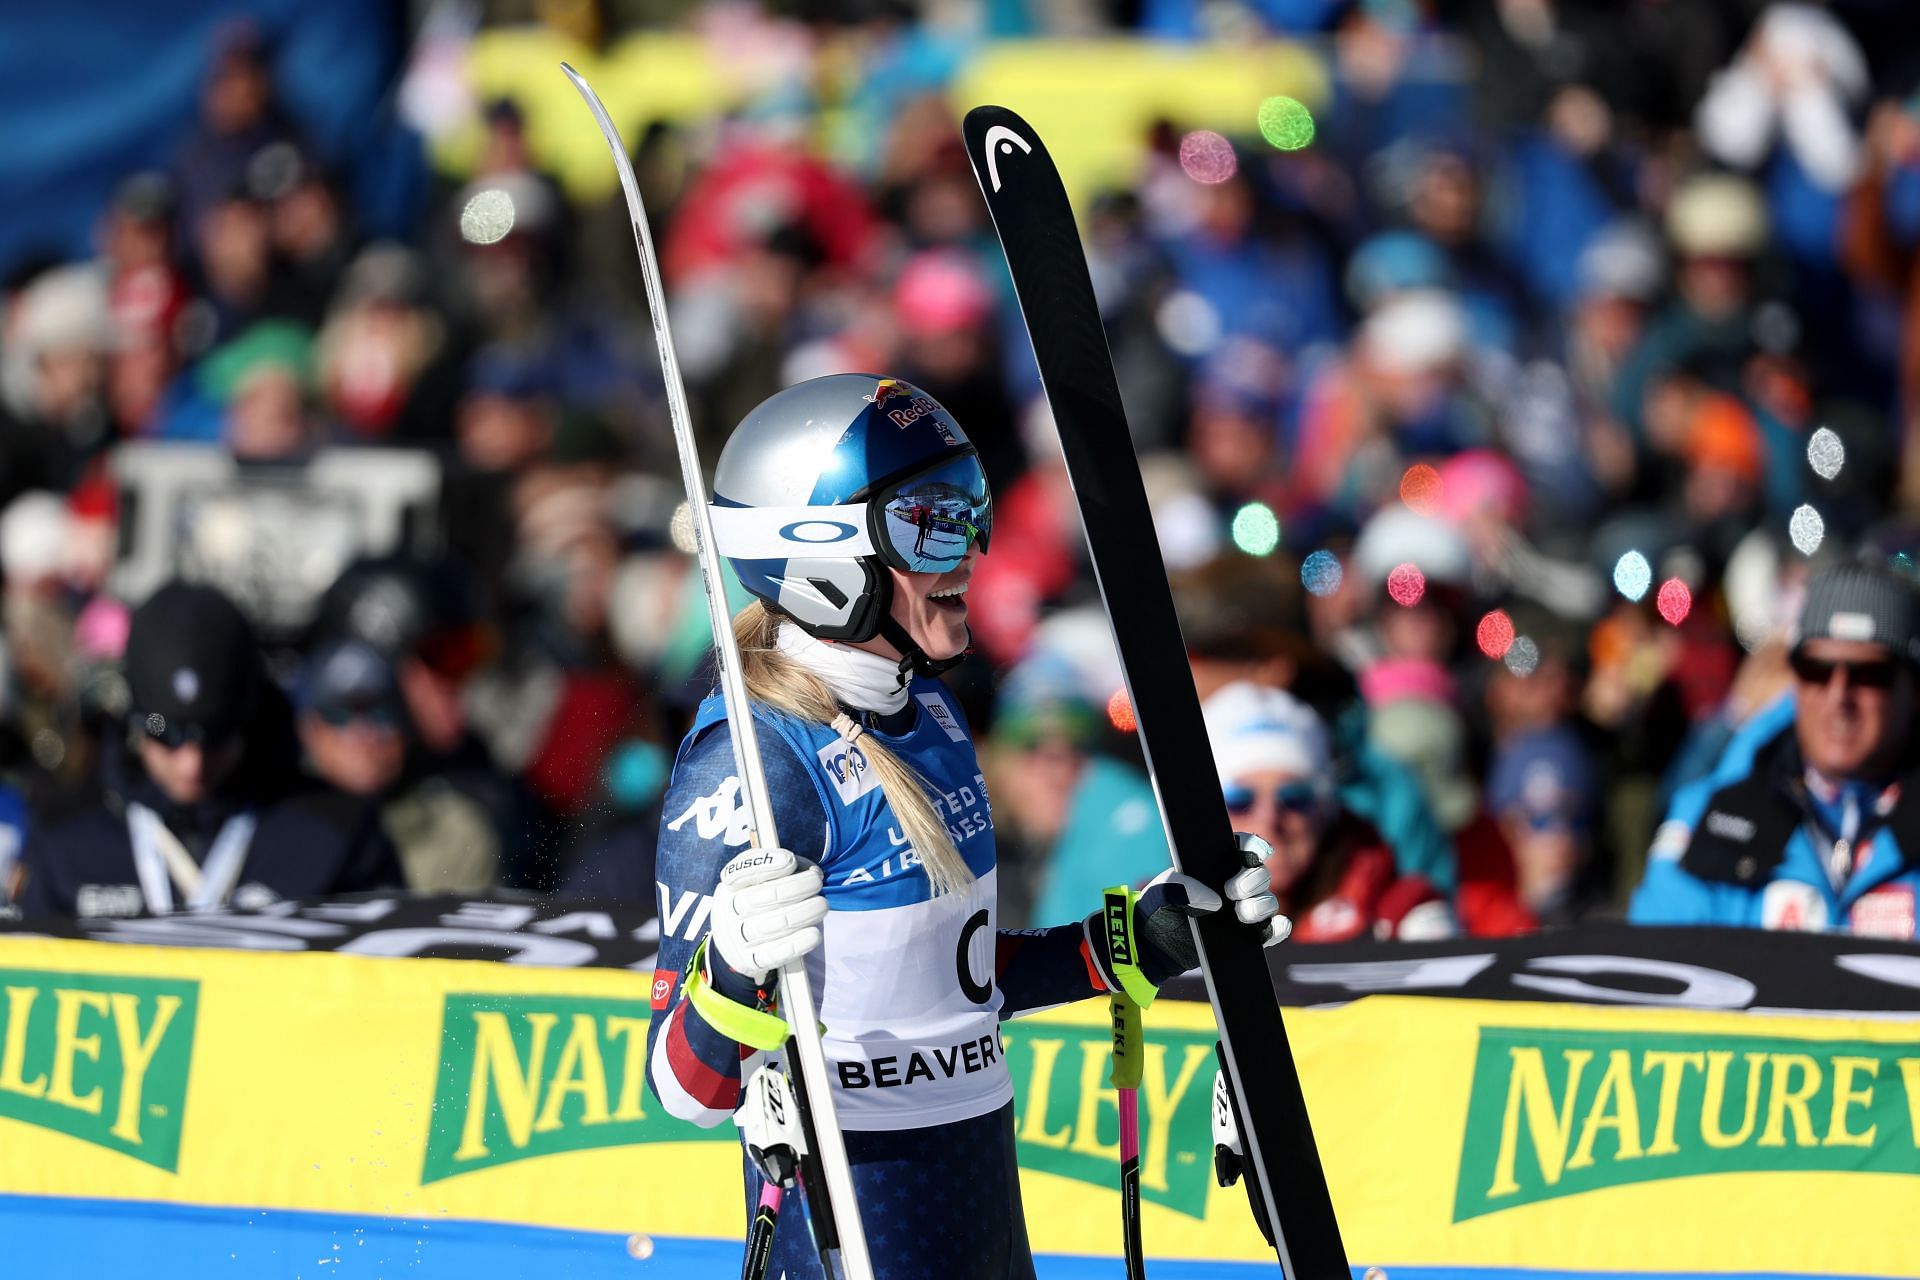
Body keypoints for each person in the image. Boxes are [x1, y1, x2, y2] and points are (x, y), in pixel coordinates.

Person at [642, 375, 1280, 1279]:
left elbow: (961, 983)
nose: (969, 548)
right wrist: (736, 967)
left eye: (971, 510)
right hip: (854, 1204)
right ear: (819, 557)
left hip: (973, 1175)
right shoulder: (756, 760)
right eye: (928, 522)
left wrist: (1137, 939)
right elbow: (679, 1087)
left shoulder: (931, 715)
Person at [13, 581, 403, 917]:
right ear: (129, 717)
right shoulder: (66, 836)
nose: (192, 764)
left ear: (251, 719)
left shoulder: (336, 835)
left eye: (216, 735)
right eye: (165, 733)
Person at [1631, 563, 1920, 935]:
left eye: (1869, 674)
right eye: (1816, 669)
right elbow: (1658, 968)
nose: (1839, 696)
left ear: (1913, 689)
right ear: (1793, 678)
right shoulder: (1712, 814)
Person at [1203, 680, 1452, 942]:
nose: (1269, 818)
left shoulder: (1396, 918)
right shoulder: (1170, 921)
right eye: (1240, 800)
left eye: (1294, 799)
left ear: (1325, 812)